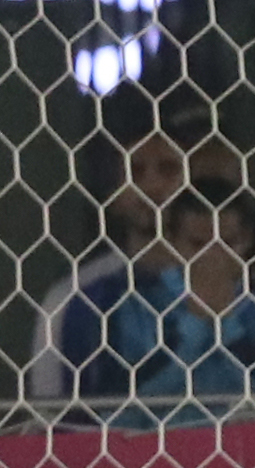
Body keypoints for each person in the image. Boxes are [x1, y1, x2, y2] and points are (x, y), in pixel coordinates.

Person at [101, 189, 255, 425]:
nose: (212, 256)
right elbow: (116, 401)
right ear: (171, 240)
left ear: (247, 238)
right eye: (198, 244)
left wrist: (230, 329)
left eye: (226, 243)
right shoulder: (137, 306)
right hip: (162, 446)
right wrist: (194, 326)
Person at [28, 130, 189, 414]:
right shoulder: (74, 297)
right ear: (113, 194)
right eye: (135, 171)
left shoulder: (242, 287)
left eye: (168, 169)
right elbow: (50, 413)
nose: (151, 187)